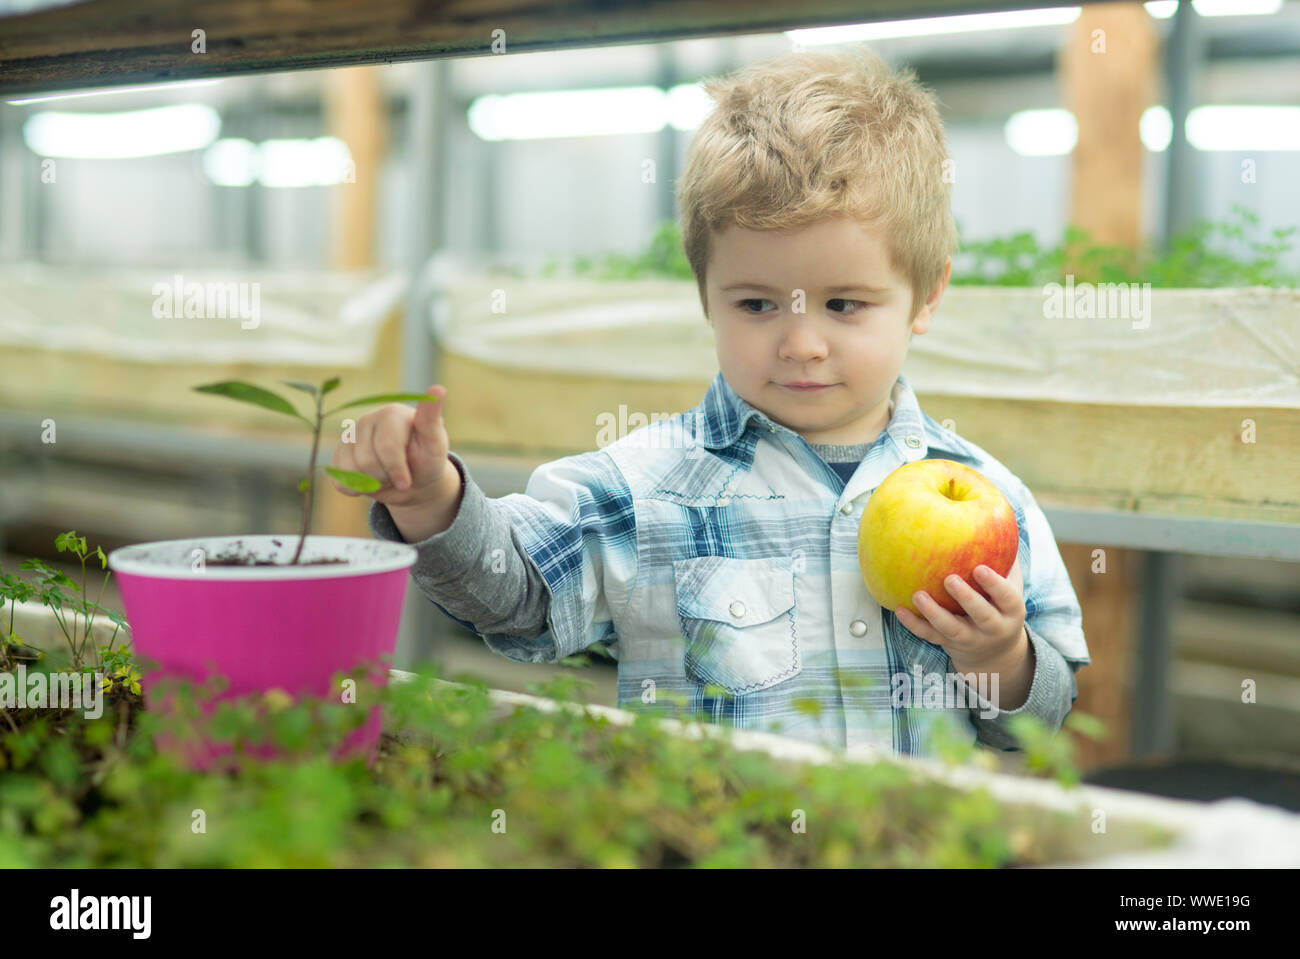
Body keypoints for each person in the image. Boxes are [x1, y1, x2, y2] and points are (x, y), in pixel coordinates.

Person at [331, 46, 1090, 756]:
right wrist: (433, 500)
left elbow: (1042, 724)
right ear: (705, 295)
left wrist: (1001, 657)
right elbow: (519, 600)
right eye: (757, 305)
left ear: (927, 296)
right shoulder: (646, 488)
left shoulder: (997, 502)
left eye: (845, 305)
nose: (801, 343)